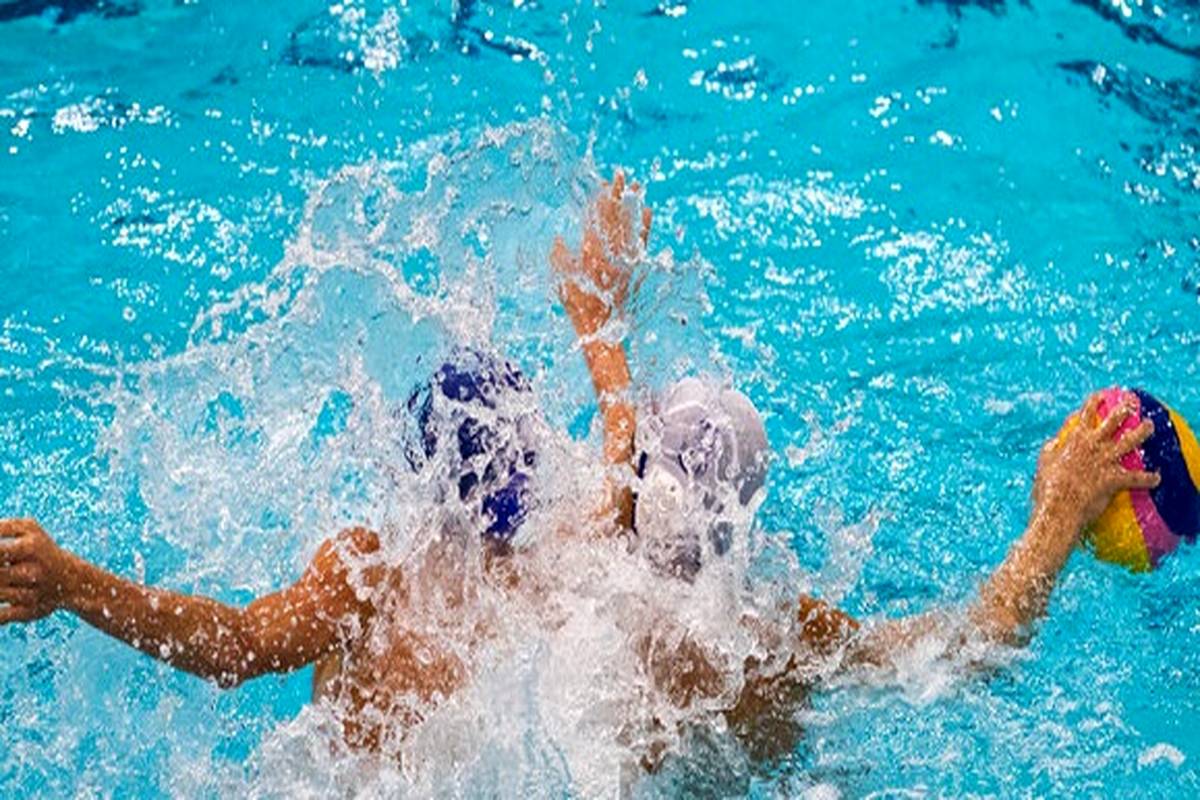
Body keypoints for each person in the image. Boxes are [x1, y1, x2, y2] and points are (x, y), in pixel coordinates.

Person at [0, 171, 1162, 769]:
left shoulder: (386, 579)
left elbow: (234, 645)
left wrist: (69, 581)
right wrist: (1054, 518)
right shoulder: (736, 627)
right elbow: (962, 651)